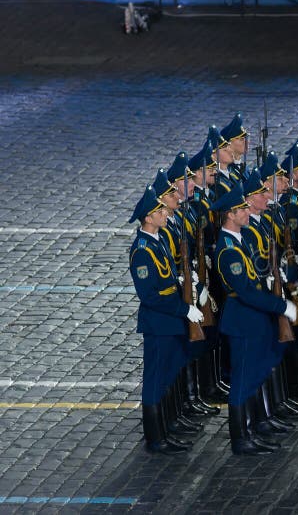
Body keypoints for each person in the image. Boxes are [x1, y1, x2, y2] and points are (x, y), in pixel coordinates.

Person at [211, 184, 297, 455]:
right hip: (243, 320)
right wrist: (281, 305)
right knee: (242, 380)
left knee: (256, 372)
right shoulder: (228, 251)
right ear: (230, 215)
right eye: (242, 210)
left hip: (254, 319)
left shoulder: (241, 240)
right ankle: (241, 437)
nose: (248, 212)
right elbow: (246, 292)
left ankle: (254, 427)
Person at [128, 186, 204, 454]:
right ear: (147, 218)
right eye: (158, 211)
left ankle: (167, 427)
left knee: (169, 374)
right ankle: (156, 437)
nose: (164, 213)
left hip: (169, 321)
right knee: (156, 379)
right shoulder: (142, 251)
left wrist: (184, 281)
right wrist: (184, 310)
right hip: (159, 322)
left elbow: (168, 277)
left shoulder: (158, 240)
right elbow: (150, 296)